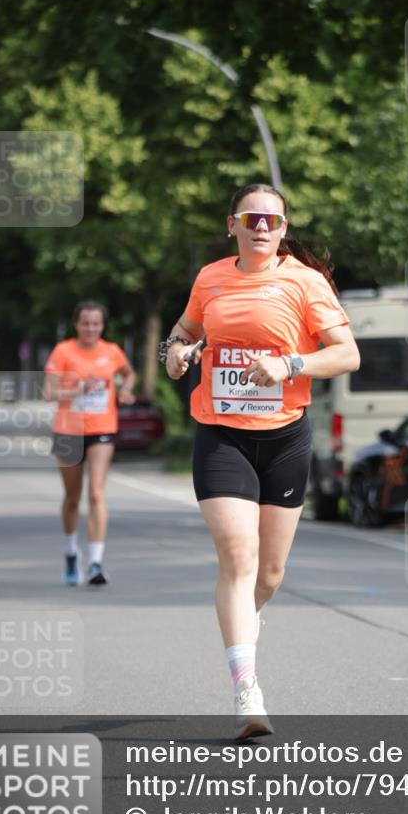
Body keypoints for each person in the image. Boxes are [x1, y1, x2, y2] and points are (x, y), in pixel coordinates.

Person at [162, 183, 360, 739]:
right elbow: (184, 334)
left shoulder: (305, 281)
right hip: (221, 433)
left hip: (286, 438)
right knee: (238, 553)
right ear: (233, 225)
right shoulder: (211, 278)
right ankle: (247, 690)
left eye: (271, 221)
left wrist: (291, 365)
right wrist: (174, 355)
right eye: (251, 219)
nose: (261, 228)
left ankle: (247, 625)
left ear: (283, 228)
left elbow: (348, 354)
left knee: (268, 574)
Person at [43, 301, 137, 586]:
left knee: (96, 493)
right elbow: (48, 393)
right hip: (68, 431)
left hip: (102, 429)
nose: (91, 328)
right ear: (77, 325)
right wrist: (78, 388)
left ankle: (95, 563)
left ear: (102, 325)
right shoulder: (63, 352)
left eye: (96, 323)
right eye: (85, 323)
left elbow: (129, 374)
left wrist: (126, 390)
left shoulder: (112, 351)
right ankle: (72, 552)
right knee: (73, 498)